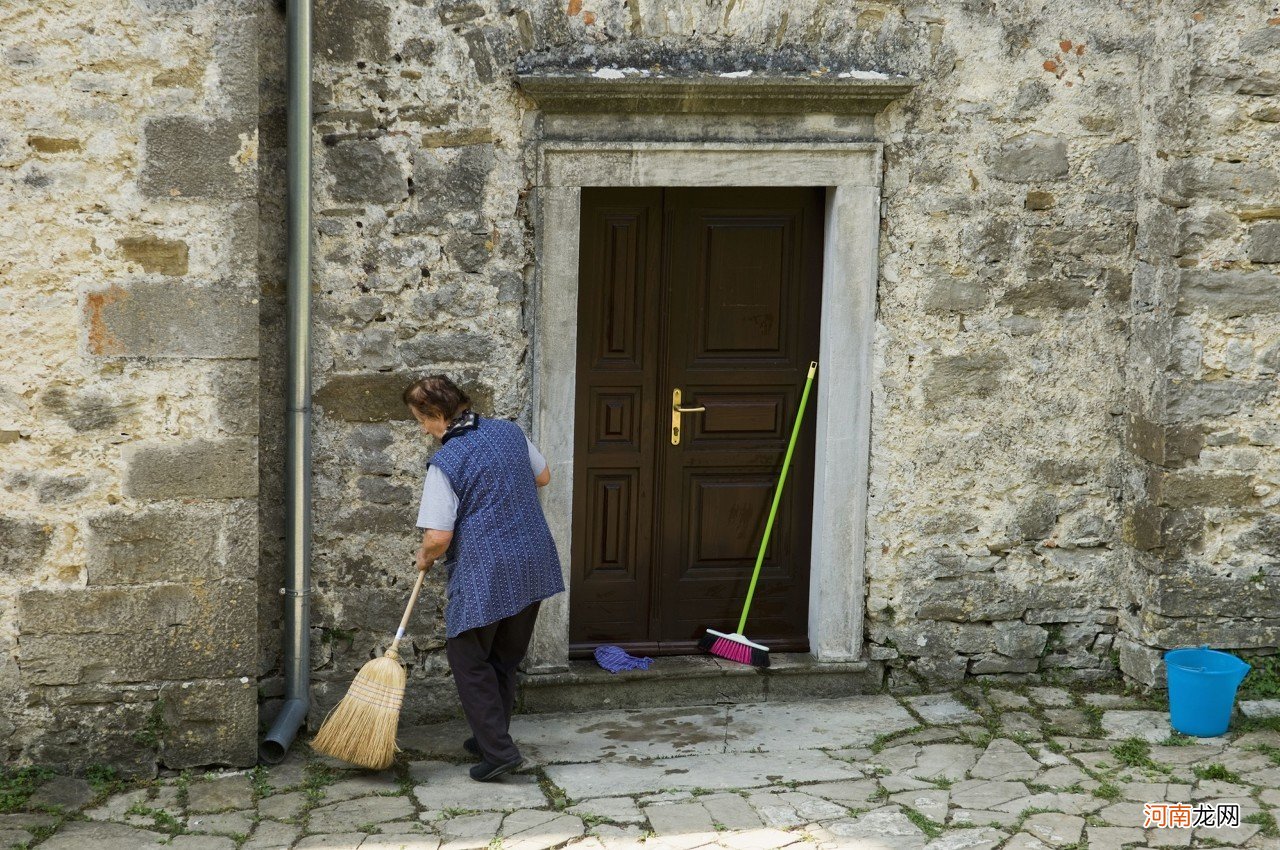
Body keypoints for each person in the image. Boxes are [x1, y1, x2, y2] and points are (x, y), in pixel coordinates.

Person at [403, 375, 564, 782]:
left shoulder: (447, 460)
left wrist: (425, 556)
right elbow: (543, 477)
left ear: (438, 414)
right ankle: (491, 735)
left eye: (421, 420)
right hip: (533, 559)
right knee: (503, 658)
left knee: (468, 657)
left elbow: (439, 536)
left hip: (487, 568)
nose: (422, 429)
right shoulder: (508, 431)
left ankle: (499, 753)